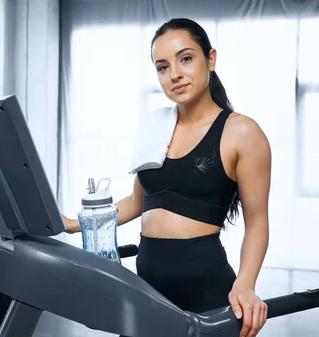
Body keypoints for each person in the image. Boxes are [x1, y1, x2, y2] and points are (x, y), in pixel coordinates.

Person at [62, 18, 271, 337]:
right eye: (162, 66)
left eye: (185, 58)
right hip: (146, 291)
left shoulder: (242, 132)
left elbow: (257, 221)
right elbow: (137, 202)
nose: (174, 74)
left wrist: (245, 283)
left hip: (207, 294)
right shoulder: (154, 128)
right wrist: (74, 223)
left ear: (210, 59)